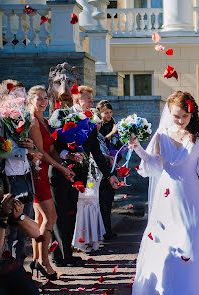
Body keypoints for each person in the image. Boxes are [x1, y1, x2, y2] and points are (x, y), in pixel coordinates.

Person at [129, 91, 199, 295]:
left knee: (189, 239)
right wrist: (138, 149)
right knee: (164, 242)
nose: (180, 120)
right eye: (176, 115)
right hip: (165, 196)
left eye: (185, 116)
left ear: (191, 114)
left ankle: (192, 289)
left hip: (190, 196)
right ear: (169, 112)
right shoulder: (161, 134)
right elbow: (154, 165)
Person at [50, 85, 120, 267]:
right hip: (59, 171)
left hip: (79, 175)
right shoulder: (60, 115)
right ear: (77, 100)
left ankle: (67, 254)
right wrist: (68, 154)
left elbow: (96, 152)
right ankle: (59, 255)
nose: (92, 103)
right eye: (88, 99)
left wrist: (110, 175)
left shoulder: (90, 122)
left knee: (71, 212)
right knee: (60, 213)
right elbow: (51, 143)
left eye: (91, 99)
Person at [0, 80, 43, 267]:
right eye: (18, 95)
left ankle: (18, 269)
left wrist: (31, 147)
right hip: (4, 180)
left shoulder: (23, 118)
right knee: (3, 228)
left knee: (23, 229)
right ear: (4, 97)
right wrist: (24, 150)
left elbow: (30, 149)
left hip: (24, 178)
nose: (23, 99)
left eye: (24, 94)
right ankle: (1, 271)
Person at [26, 85, 75, 279]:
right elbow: (42, 153)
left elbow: (52, 149)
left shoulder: (44, 120)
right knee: (50, 218)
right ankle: (45, 262)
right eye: (39, 98)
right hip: (38, 174)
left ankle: (38, 260)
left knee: (40, 221)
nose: (44, 101)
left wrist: (66, 161)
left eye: (45, 98)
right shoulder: (33, 122)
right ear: (30, 100)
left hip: (46, 172)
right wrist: (62, 169)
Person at [0, 184, 40, 295]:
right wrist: (3, 215)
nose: (1, 204)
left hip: (6, 266)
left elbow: (36, 233)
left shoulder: (1, 213)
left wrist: (20, 216)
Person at [72, 117, 106, 253]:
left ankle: (93, 238)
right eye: (95, 122)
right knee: (82, 205)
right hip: (84, 173)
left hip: (94, 174)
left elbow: (98, 152)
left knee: (93, 206)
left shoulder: (99, 136)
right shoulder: (81, 129)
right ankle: (80, 239)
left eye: (99, 122)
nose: (98, 124)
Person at [96, 100, 118, 240]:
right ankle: (103, 230)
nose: (108, 115)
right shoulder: (99, 125)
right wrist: (112, 133)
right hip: (102, 165)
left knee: (109, 199)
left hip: (113, 162)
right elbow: (100, 141)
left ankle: (108, 229)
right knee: (102, 199)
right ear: (100, 113)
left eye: (110, 112)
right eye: (105, 113)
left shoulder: (114, 123)